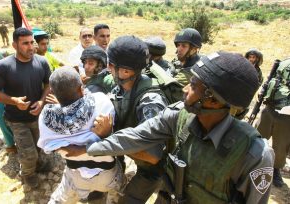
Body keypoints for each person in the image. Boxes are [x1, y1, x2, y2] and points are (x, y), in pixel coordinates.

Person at [62, 51, 274, 204]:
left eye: (193, 85)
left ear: (213, 99)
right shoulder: (178, 116)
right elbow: (135, 136)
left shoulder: (253, 154)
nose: (184, 88)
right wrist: (87, 149)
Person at [80, 35, 168, 204]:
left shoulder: (150, 101)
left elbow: (153, 156)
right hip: (139, 157)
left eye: (112, 65)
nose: (108, 68)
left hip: (156, 169)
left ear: (127, 71)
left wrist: (108, 138)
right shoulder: (122, 85)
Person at [37, 67, 124, 204]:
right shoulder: (102, 102)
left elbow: (47, 147)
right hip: (107, 176)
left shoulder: (45, 119)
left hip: (76, 176)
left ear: (52, 92)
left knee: (58, 199)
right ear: (80, 88)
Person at [0, 27, 51, 188]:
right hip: (16, 119)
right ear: (14, 45)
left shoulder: (42, 62)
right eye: (25, 43)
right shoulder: (4, 66)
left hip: (37, 116)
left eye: (32, 42)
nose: (31, 47)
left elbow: (48, 84)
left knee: (39, 146)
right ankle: (28, 174)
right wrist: (14, 101)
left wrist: (42, 101)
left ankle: (37, 164)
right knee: (28, 153)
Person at [255, 58, 290, 188]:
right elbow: (272, 78)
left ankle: (275, 170)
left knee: (281, 146)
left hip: (287, 117)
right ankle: (251, 162)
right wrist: (263, 89)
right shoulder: (284, 63)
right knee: (257, 136)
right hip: (269, 108)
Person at [0, 50, 16, 153]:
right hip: (6, 103)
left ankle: (11, 145)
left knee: (5, 126)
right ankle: (12, 145)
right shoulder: (12, 68)